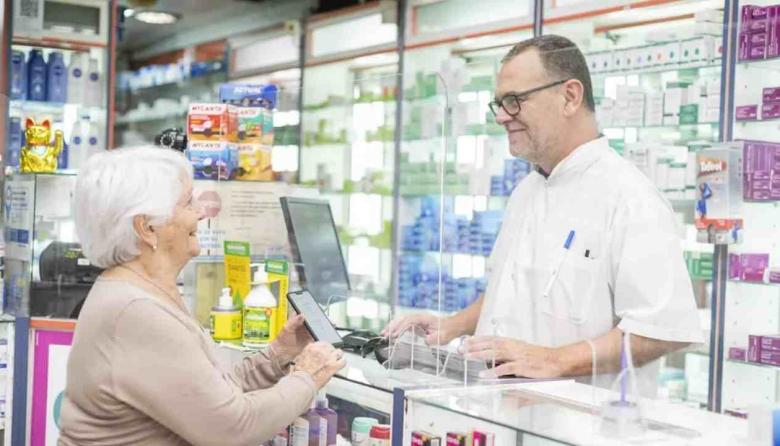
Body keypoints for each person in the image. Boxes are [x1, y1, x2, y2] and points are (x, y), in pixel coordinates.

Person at [384, 35, 703, 395]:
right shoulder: (526, 191)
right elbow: (513, 289)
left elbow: (660, 332)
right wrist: (452, 326)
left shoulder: (630, 198)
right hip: (501, 414)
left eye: (515, 101)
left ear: (570, 96)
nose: (503, 116)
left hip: (578, 427)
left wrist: (555, 360)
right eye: (499, 103)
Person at [59, 146, 345, 446]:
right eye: (187, 202)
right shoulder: (135, 310)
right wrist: (307, 377)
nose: (201, 210)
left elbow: (214, 394)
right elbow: (233, 428)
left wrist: (278, 355)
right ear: (146, 228)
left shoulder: (145, 291)